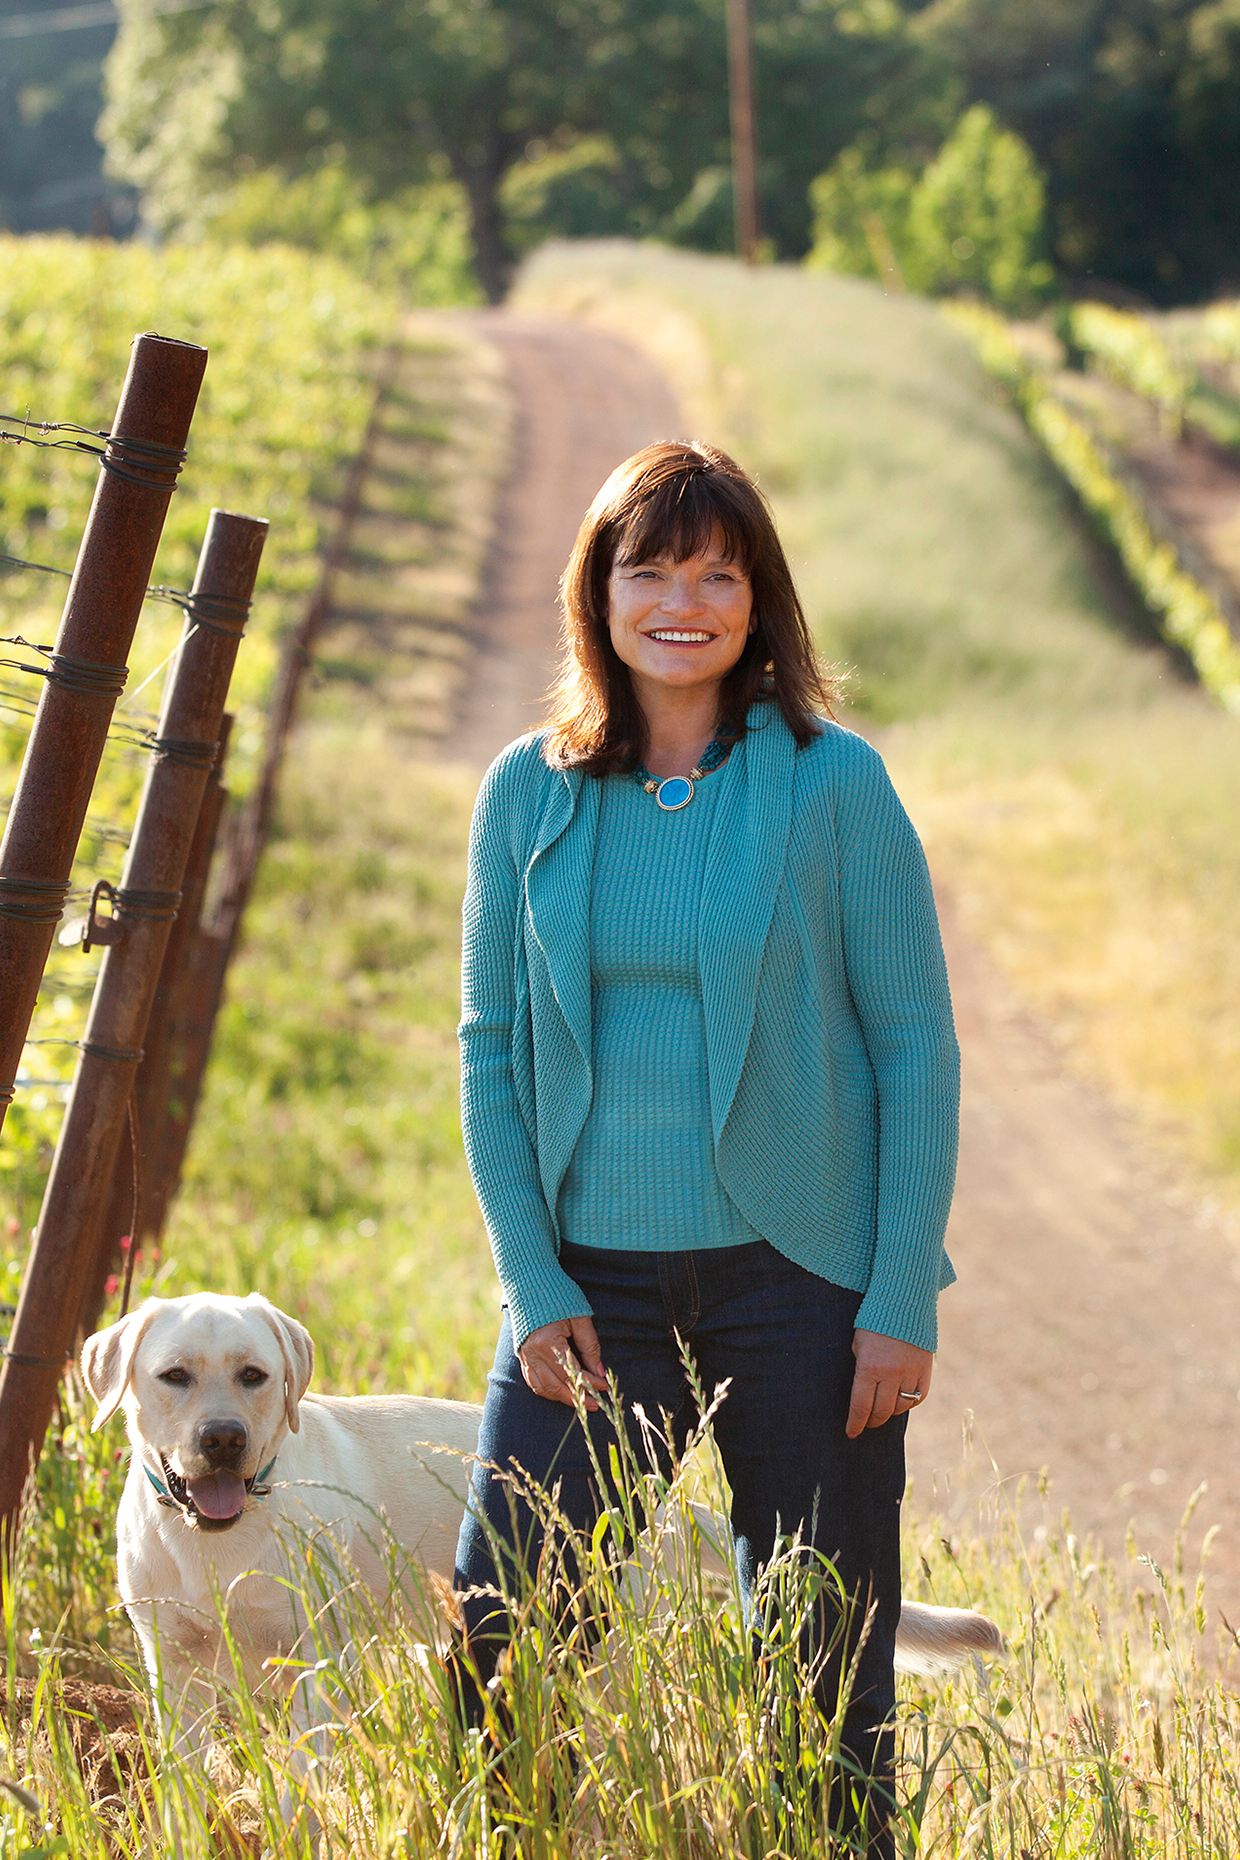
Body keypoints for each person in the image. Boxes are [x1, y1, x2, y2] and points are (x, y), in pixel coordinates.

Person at [452, 439, 959, 1853]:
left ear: (761, 600)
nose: (685, 600)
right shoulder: (527, 793)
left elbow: (915, 1042)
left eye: (718, 573)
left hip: (800, 1285)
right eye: (650, 569)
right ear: (598, 595)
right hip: (589, 1298)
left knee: (822, 1675)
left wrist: (899, 1298)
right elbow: (490, 1050)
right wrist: (533, 1284)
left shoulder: (831, 784)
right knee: (504, 1641)